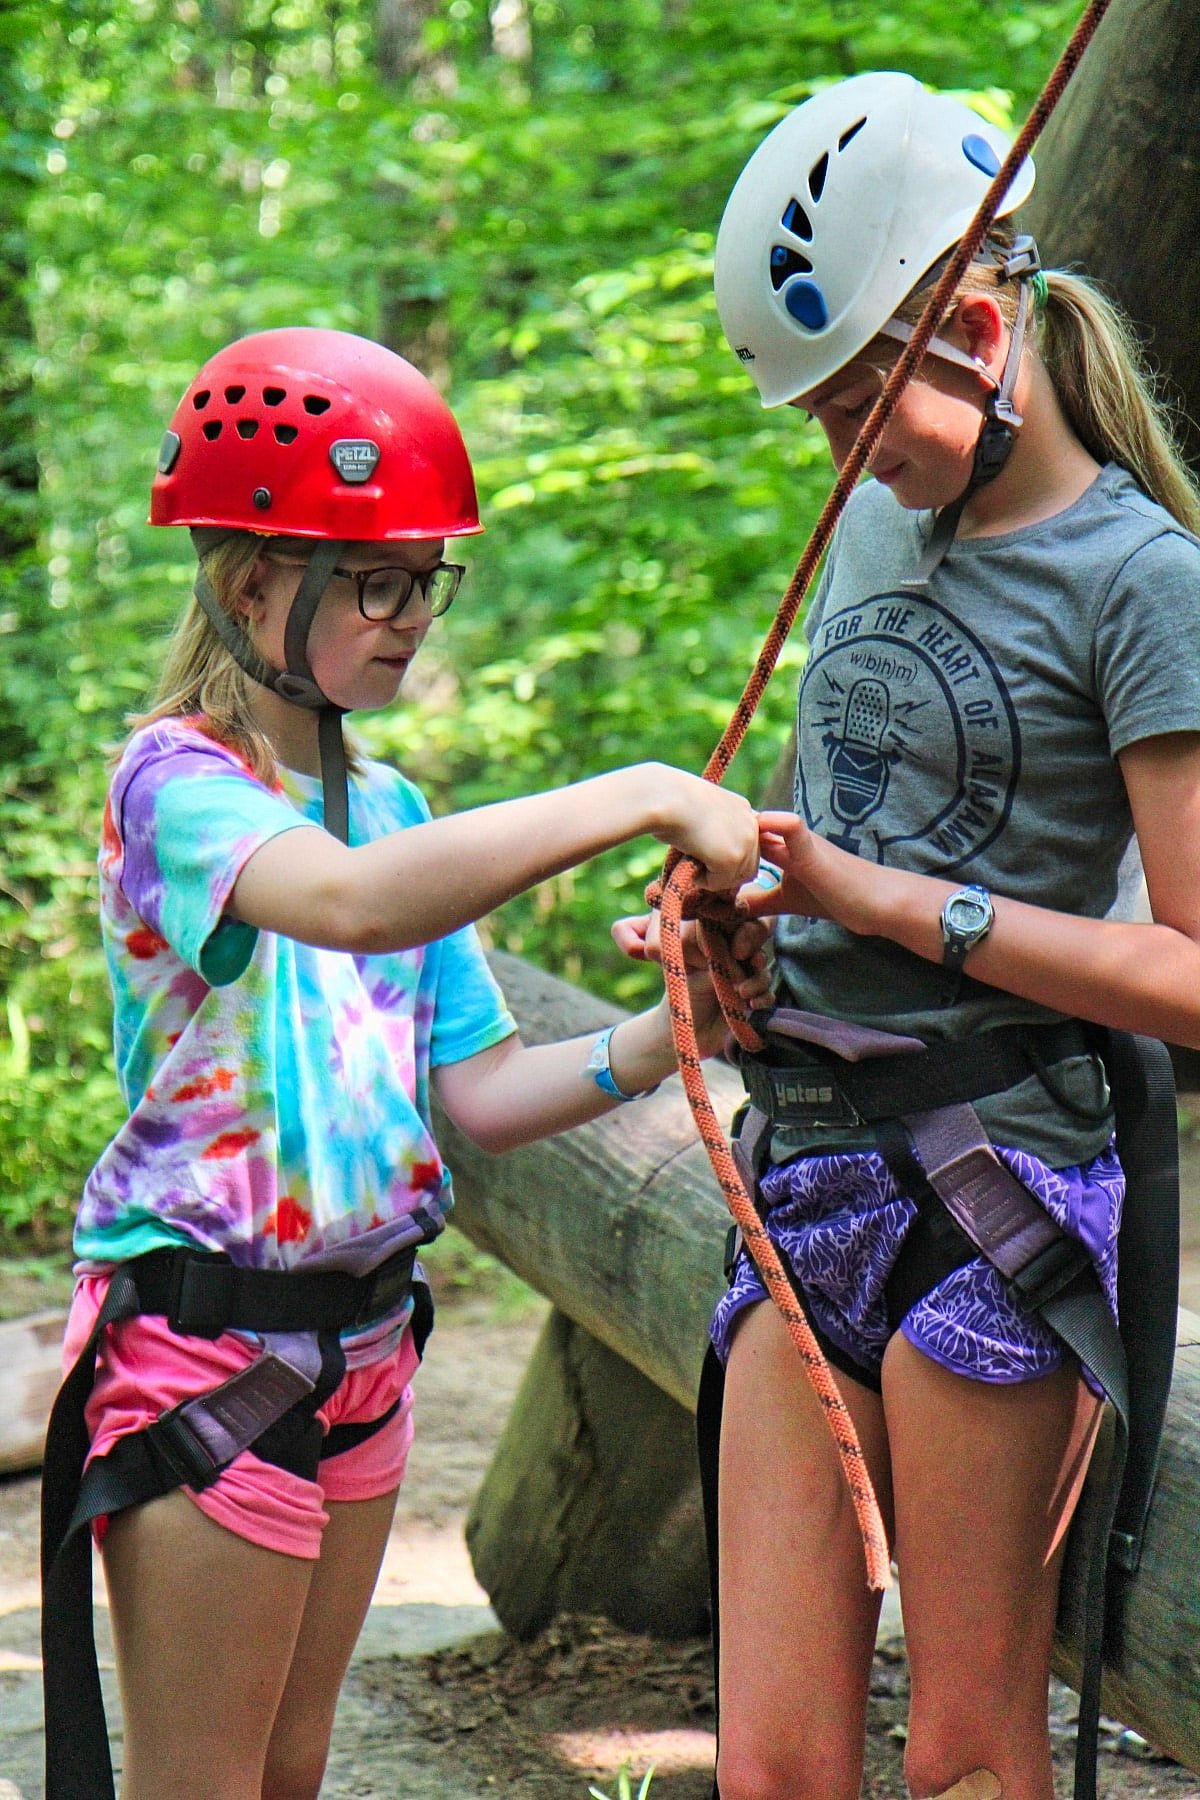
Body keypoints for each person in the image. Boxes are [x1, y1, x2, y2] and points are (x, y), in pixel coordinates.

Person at [40, 326, 771, 1800]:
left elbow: (483, 1102)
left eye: (427, 580)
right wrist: (636, 793)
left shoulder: (395, 805)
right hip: (208, 1360)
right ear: (256, 583)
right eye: (374, 580)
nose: (410, 617)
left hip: (366, 1356)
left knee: (292, 1774)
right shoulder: (176, 787)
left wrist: (666, 1034)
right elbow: (351, 905)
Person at [697, 70, 1200, 1800]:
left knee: (968, 1760)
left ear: (977, 333)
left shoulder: (1143, 585)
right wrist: (741, 926)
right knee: (769, 1768)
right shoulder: (871, 536)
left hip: (1002, 1181)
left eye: (856, 414)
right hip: (806, 1165)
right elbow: (824, 832)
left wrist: (888, 905)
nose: (844, 462)